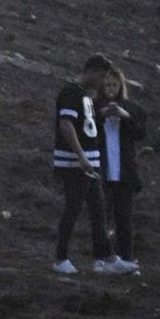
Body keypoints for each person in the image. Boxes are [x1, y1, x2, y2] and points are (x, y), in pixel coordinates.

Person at [51, 55, 134, 275]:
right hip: (75, 163)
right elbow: (66, 124)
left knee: (98, 210)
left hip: (90, 162)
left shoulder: (86, 96)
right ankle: (60, 258)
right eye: (102, 77)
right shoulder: (71, 92)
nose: (102, 84)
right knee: (73, 208)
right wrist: (81, 156)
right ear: (93, 71)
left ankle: (107, 257)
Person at [97, 64, 146, 273]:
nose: (110, 88)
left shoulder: (132, 108)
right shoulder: (92, 106)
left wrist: (125, 116)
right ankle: (102, 258)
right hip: (102, 172)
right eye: (107, 84)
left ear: (121, 86)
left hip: (124, 173)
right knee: (101, 218)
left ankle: (126, 258)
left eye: (115, 84)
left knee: (124, 219)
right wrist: (101, 114)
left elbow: (140, 134)